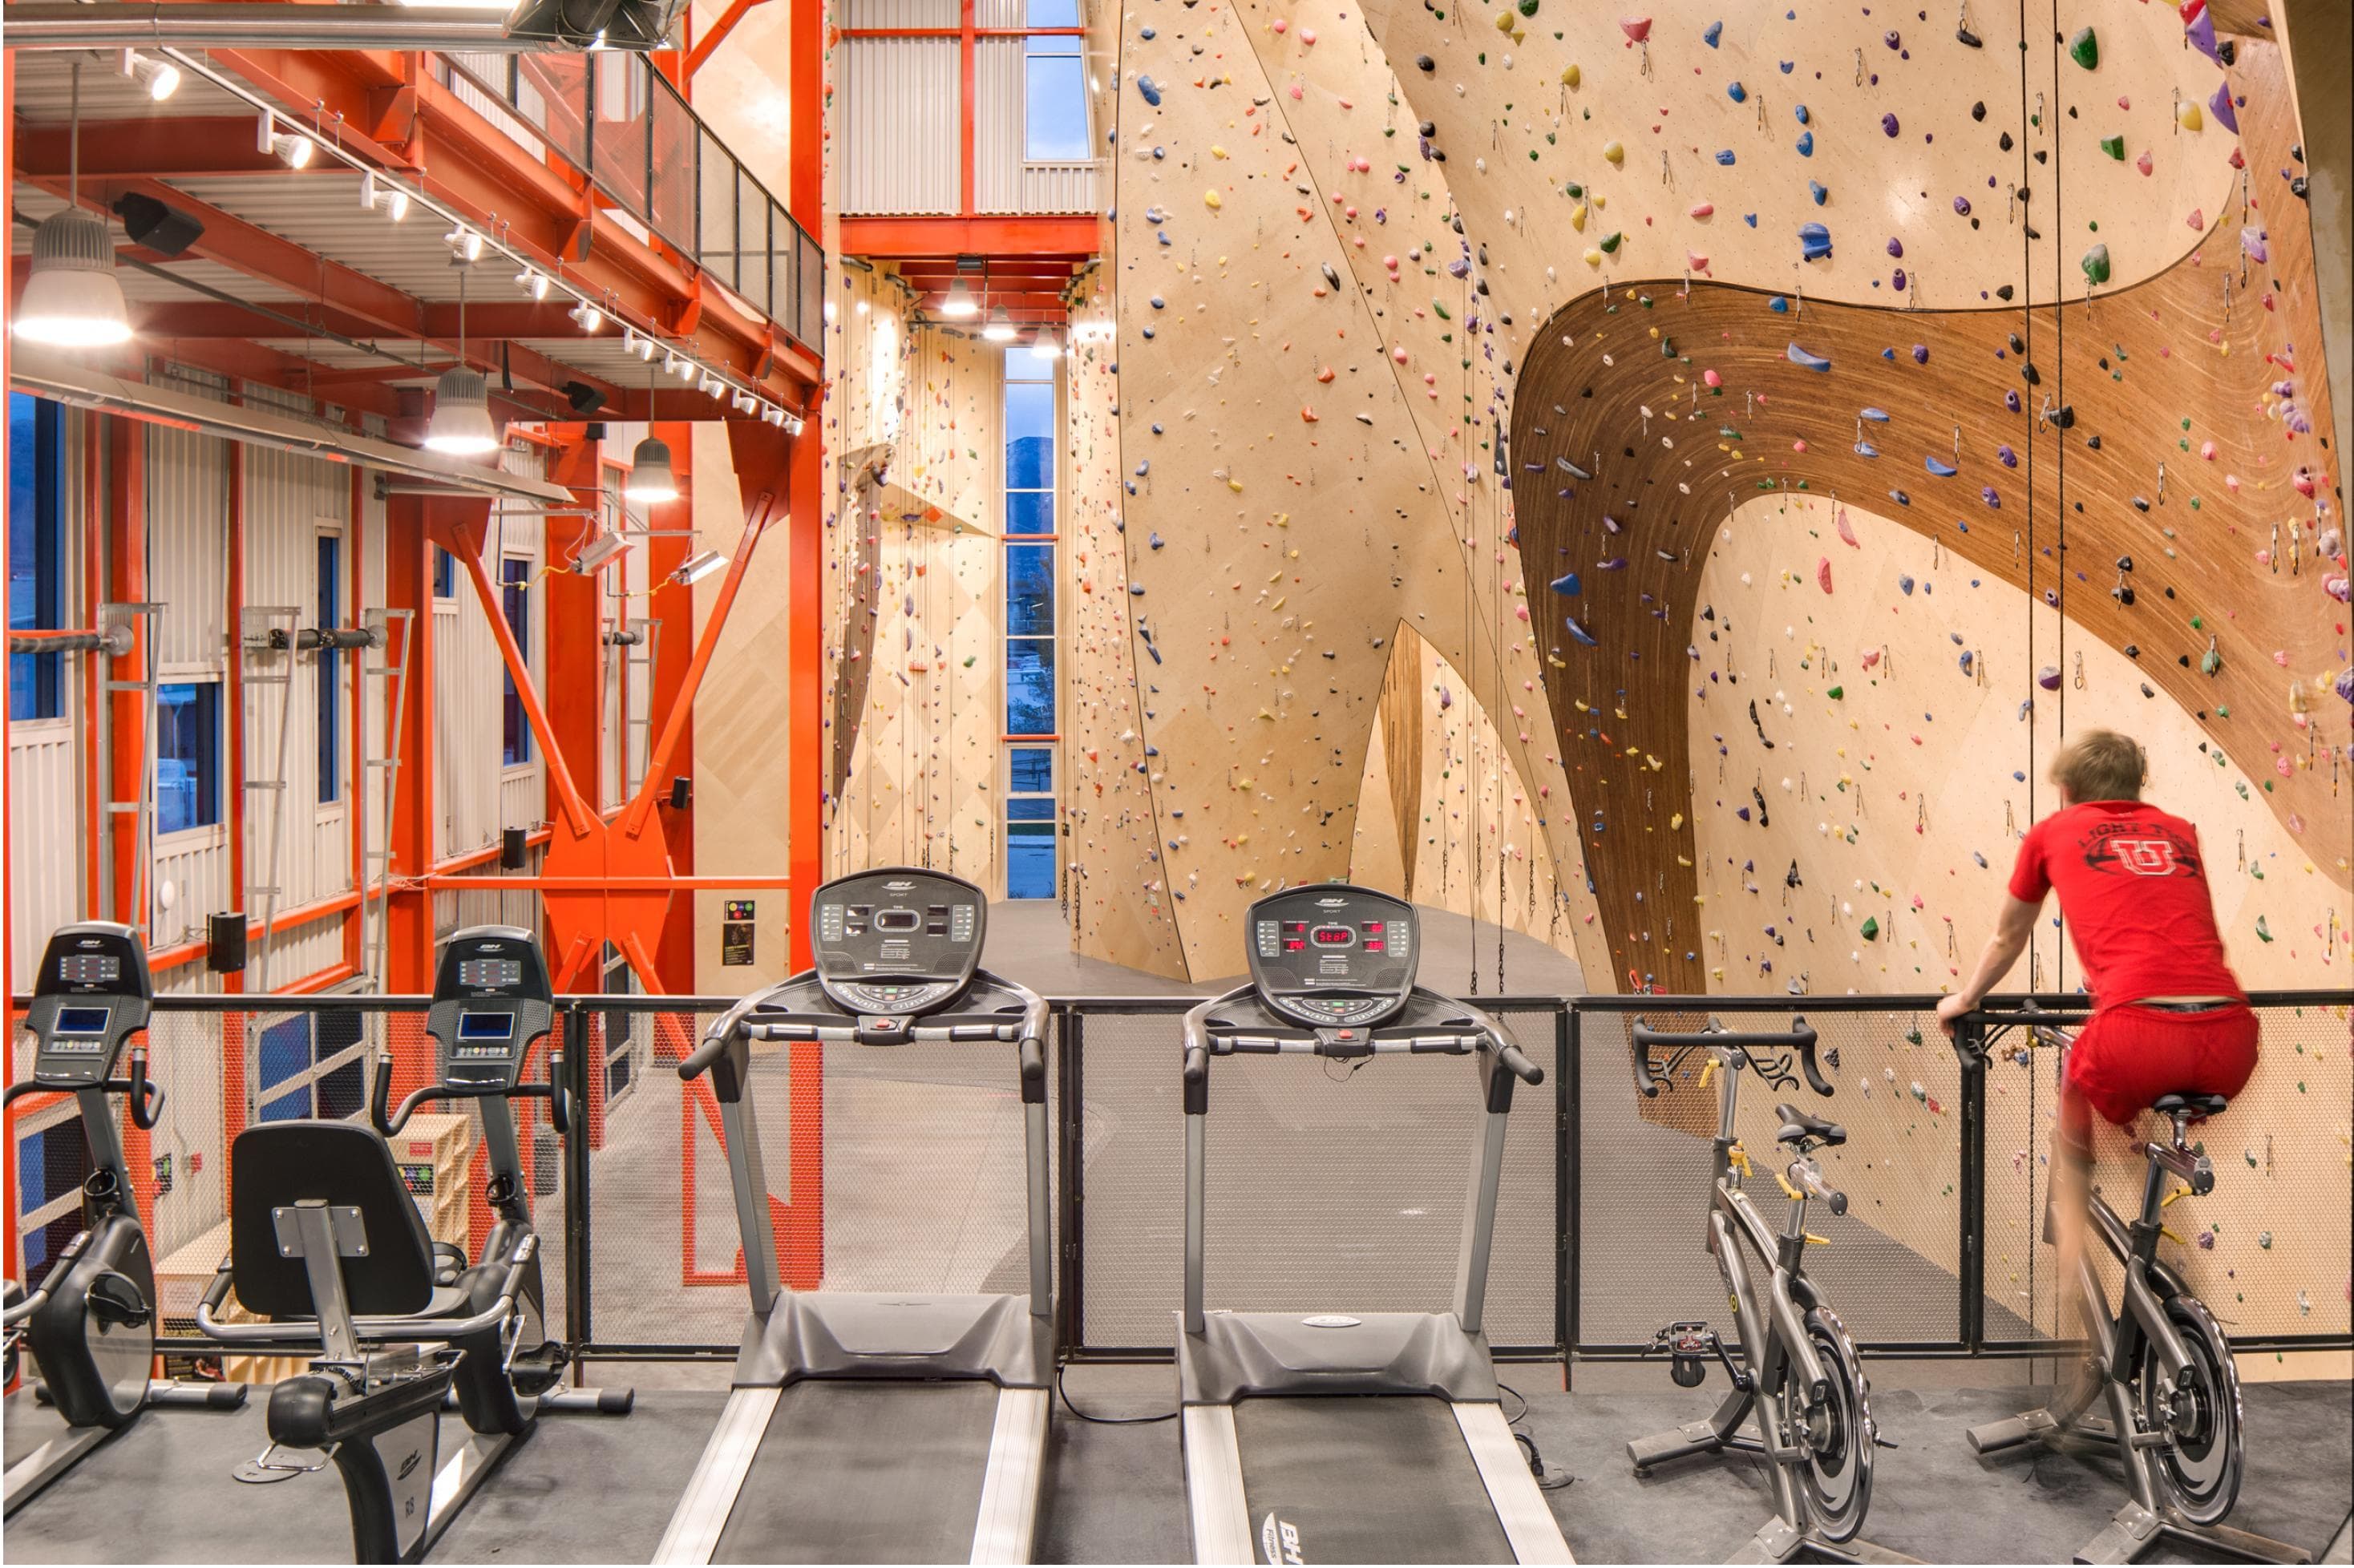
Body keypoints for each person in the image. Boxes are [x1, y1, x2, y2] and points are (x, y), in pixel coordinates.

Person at [1935, 728, 2256, 1367]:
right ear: (2137, 786)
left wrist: (1964, 998)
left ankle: (2074, 1295)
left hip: (2135, 1035)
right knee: (2145, 1122)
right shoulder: (2179, 830)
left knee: (2074, 1128)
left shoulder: (2051, 835)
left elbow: (2006, 940)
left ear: (2066, 789)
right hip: (2231, 1034)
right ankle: (2158, 1267)